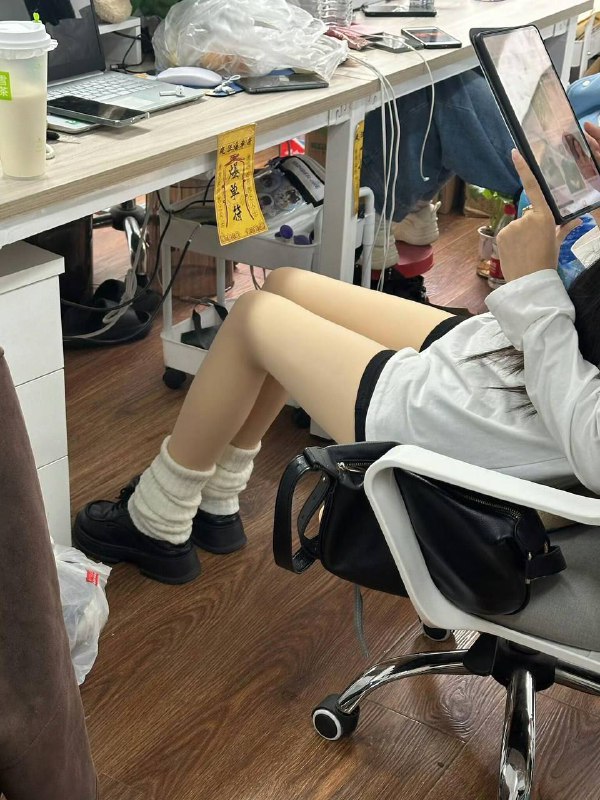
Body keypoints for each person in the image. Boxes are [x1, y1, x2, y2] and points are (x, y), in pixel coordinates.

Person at [73, 123, 600, 585]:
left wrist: (533, 288)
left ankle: (157, 519)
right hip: (518, 361)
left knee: (253, 316)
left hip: (503, 414)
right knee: (285, 286)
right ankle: (217, 498)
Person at [361, 68, 521, 257]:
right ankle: (414, 211)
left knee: (438, 82)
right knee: (445, 75)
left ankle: (375, 216)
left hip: (547, 177)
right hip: (547, 152)